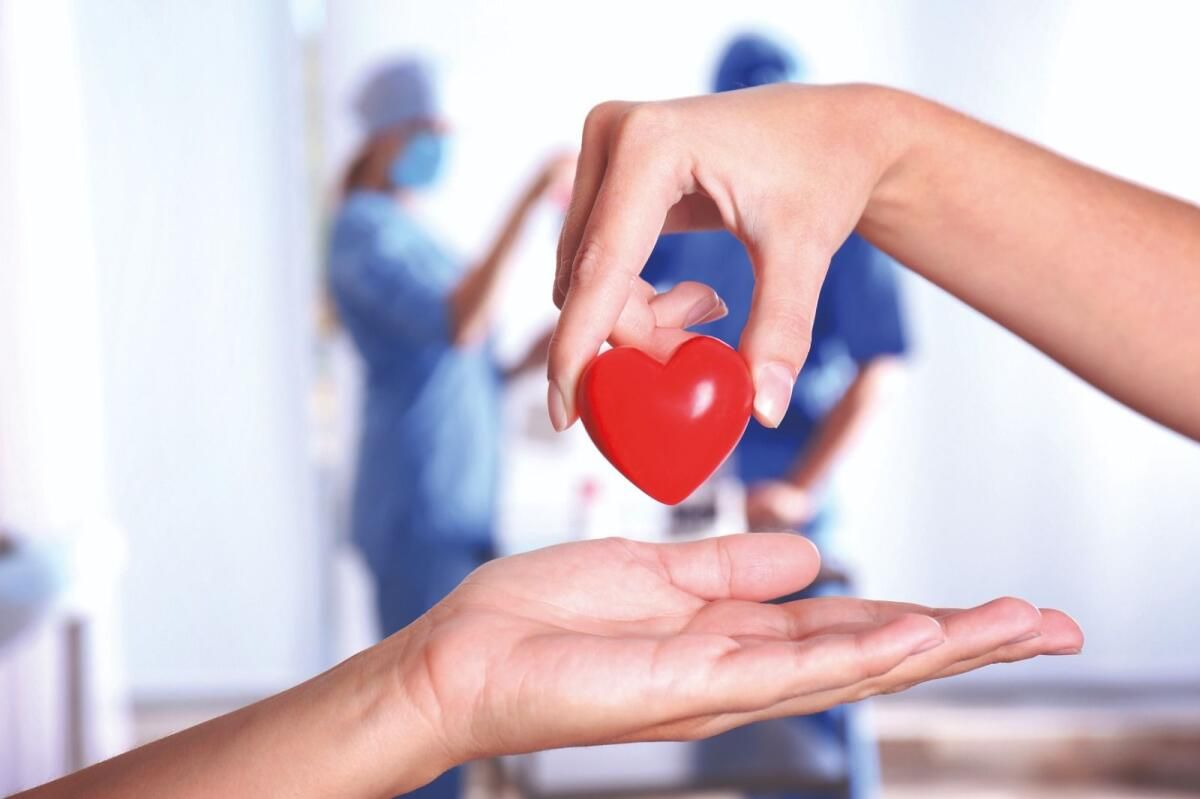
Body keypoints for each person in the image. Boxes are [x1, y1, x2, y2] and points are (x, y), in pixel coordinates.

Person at [32, 78, 1200, 797]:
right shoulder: (368, 235)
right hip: (444, 492)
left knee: (818, 685)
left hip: (749, 490)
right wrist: (423, 698)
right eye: (422, 125)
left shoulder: (840, 254)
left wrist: (888, 153)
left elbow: (492, 346)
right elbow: (483, 327)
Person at [640, 35, 905, 799]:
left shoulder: (846, 221)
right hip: (700, 494)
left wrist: (800, 487)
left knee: (813, 689)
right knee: (722, 700)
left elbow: (879, 366)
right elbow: (635, 311)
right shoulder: (689, 218)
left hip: (785, 486)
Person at [327, 58, 570, 798]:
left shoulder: (411, 228)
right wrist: (529, 199)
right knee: (427, 725)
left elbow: (460, 365)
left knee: (461, 713)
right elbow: (458, 321)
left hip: (459, 497)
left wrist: (523, 363)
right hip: (417, 502)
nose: (441, 144)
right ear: (384, 135)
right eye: (428, 130)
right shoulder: (361, 231)